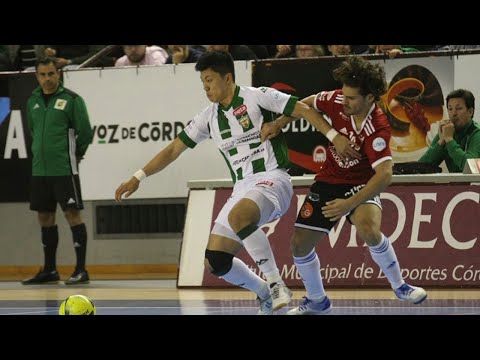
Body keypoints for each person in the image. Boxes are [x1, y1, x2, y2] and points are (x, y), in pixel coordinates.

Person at [114, 51, 359, 314]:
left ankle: (277, 283)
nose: (206, 87)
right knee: (216, 261)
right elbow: (174, 149)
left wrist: (334, 136)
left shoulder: (257, 96)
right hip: (242, 188)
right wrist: (138, 176)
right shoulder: (208, 117)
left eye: (209, 80)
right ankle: (264, 292)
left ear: (227, 77)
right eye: (202, 82)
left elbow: (303, 109)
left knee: (239, 216)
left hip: (272, 178)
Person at [262, 56, 427, 315]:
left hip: (361, 184)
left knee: (368, 228)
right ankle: (317, 301)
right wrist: (278, 124)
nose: (344, 100)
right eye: (344, 95)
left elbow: (384, 176)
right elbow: (305, 104)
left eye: (351, 98)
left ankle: (400, 285)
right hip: (329, 180)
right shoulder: (337, 99)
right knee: (299, 245)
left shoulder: (378, 128)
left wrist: (348, 205)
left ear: (369, 98)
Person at [22, 57, 93, 285]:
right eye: (43, 75)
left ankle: (81, 270)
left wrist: (74, 156)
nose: (47, 79)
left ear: (58, 74)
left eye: (51, 74)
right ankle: (50, 270)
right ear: (37, 76)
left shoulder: (72, 99)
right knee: (45, 217)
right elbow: (33, 132)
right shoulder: (32, 101)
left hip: (64, 169)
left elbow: (86, 133)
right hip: (40, 170)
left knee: (72, 215)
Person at [419, 89, 480, 173]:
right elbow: (421, 167)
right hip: (455, 185)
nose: (453, 113)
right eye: (450, 109)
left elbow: (471, 168)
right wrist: (440, 143)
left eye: (458, 108)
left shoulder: (477, 133)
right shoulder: (447, 131)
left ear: (470, 111)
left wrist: (449, 140)